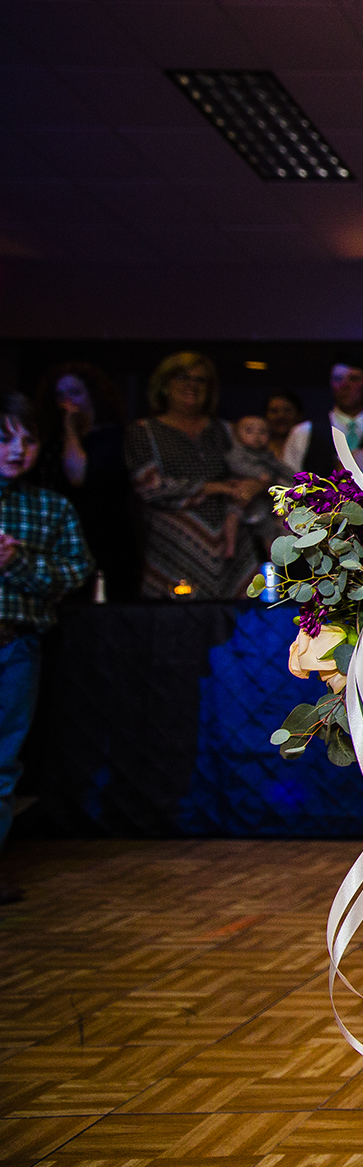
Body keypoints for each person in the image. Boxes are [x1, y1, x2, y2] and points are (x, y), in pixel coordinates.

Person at [0, 393, 94, 903]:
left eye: (29, 439)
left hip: (14, 645)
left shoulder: (49, 506)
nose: (18, 450)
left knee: (2, 763)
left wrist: (15, 563)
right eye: (5, 438)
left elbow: (74, 574)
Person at [123, 352, 262, 599]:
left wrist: (255, 484)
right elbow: (150, 487)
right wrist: (217, 488)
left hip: (230, 548)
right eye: (182, 377)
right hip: (172, 549)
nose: (191, 385)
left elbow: (256, 468)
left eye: (200, 380)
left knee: (238, 627)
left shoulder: (225, 430)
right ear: (164, 384)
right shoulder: (144, 432)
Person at [34, 362, 140, 600]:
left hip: (107, 538)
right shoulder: (51, 441)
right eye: (60, 394)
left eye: (75, 392)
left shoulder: (111, 437)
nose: (67, 401)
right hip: (64, 538)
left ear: (93, 395)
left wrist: (71, 430)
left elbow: (78, 476)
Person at [301, 357, 363, 478]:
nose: (344, 385)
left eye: (354, 379)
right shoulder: (305, 431)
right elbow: (288, 482)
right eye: (338, 379)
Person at [226, 414, 295, 552]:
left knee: (268, 527)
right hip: (239, 497)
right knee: (232, 514)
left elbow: (281, 468)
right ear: (236, 434)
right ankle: (229, 546)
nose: (256, 436)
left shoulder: (268, 455)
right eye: (249, 431)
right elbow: (236, 465)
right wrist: (258, 474)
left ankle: (273, 555)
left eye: (262, 432)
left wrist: (297, 478)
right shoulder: (237, 452)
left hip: (262, 502)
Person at [264, 388, 311, 472]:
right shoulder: (255, 447)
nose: (281, 416)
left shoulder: (309, 448)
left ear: (299, 415)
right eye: (274, 411)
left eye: (287, 411)